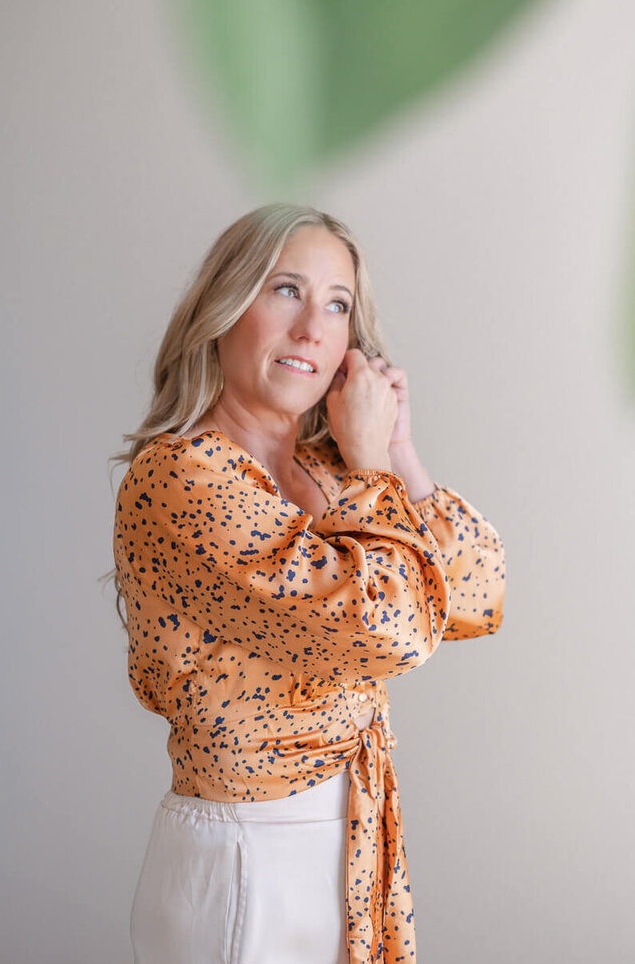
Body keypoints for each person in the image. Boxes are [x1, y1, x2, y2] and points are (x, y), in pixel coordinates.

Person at [110, 202, 506, 964]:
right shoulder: (183, 479)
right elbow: (393, 629)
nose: (311, 328)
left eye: (337, 304)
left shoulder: (334, 470)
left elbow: (477, 593)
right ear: (223, 308)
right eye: (285, 289)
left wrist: (397, 448)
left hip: (347, 848)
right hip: (244, 861)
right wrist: (371, 471)